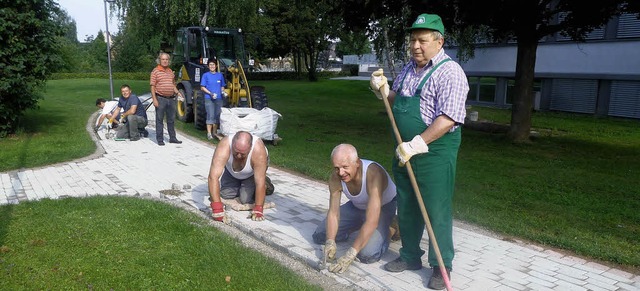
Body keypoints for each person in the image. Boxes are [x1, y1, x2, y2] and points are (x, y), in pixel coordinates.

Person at [370, 13, 469, 290]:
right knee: (408, 205)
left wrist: (416, 145)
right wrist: (383, 90)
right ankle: (410, 256)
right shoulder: (408, 69)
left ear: (439, 42)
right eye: (413, 40)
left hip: (434, 154)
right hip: (404, 151)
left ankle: (441, 266)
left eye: (422, 40)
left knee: (436, 210)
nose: (416, 46)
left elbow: (448, 118)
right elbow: (397, 101)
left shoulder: (451, 72)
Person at [312, 144, 397, 274]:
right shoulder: (336, 176)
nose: (340, 173)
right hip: (358, 206)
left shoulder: (373, 174)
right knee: (320, 236)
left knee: (367, 255)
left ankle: (391, 229)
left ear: (357, 163)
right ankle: (358, 227)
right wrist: (330, 241)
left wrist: (350, 254)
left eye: (345, 167)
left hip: (383, 207)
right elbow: (334, 213)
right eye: (336, 168)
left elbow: (372, 221)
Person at [207, 131, 269, 222]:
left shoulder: (259, 151)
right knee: (224, 195)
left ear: (250, 148)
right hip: (232, 171)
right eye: (236, 152)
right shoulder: (224, 146)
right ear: (232, 145)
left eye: (243, 154)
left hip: (251, 173)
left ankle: (266, 182)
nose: (239, 156)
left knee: (245, 200)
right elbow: (213, 177)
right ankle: (239, 183)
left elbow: (260, 183)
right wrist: (217, 209)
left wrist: (258, 209)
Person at [150, 52, 184, 146]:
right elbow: (152, 86)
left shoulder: (170, 71)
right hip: (160, 98)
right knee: (159, 119)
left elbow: (173, 84)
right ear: (159, 60)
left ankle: (172, 138)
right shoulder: (155, 71)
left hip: (171, 99)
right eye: (163, 59)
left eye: (166, 59)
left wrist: (178, 92)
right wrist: (154, 99)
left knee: (171, 119)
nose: (165, 61)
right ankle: (160, 139)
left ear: (168, 61)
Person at [200, 58, 226, 140]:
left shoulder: (220, 75)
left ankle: (214, 133)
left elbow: (222, 86)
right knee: (210, 115)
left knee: (217, 116)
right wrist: (210, 93)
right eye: (210, 65)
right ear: (208, 66)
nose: (212, 66)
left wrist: (223, 92)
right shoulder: (205, 75)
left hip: (218, 99)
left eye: (213, 65)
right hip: (209, 98)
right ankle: (209, 133)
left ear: (216, 66)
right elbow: (202, 87)